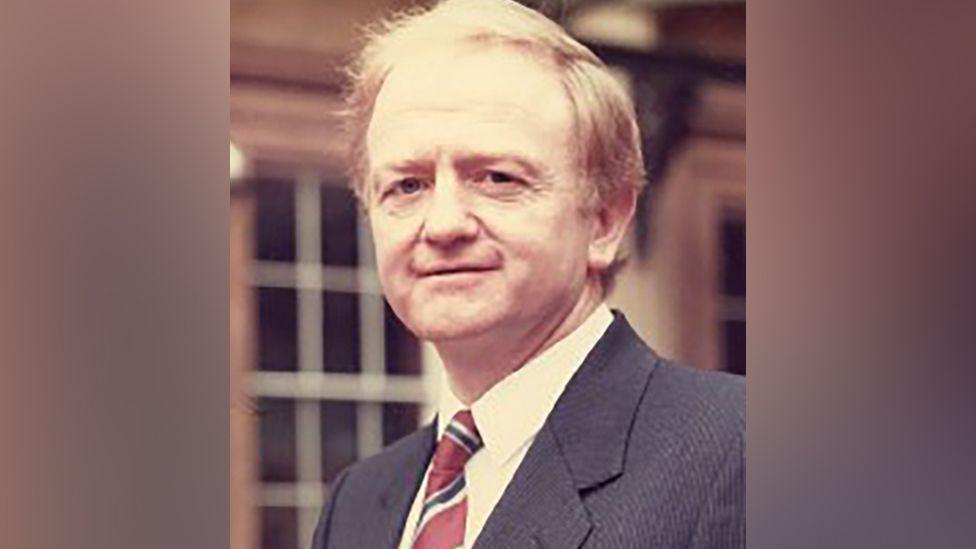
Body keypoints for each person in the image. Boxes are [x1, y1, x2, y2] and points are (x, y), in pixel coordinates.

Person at [312, 1, 745, 547]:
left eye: (496, 177)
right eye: (408, 186)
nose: (443, 224)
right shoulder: (358, 502)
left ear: (605, 221)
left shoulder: (742, 453)